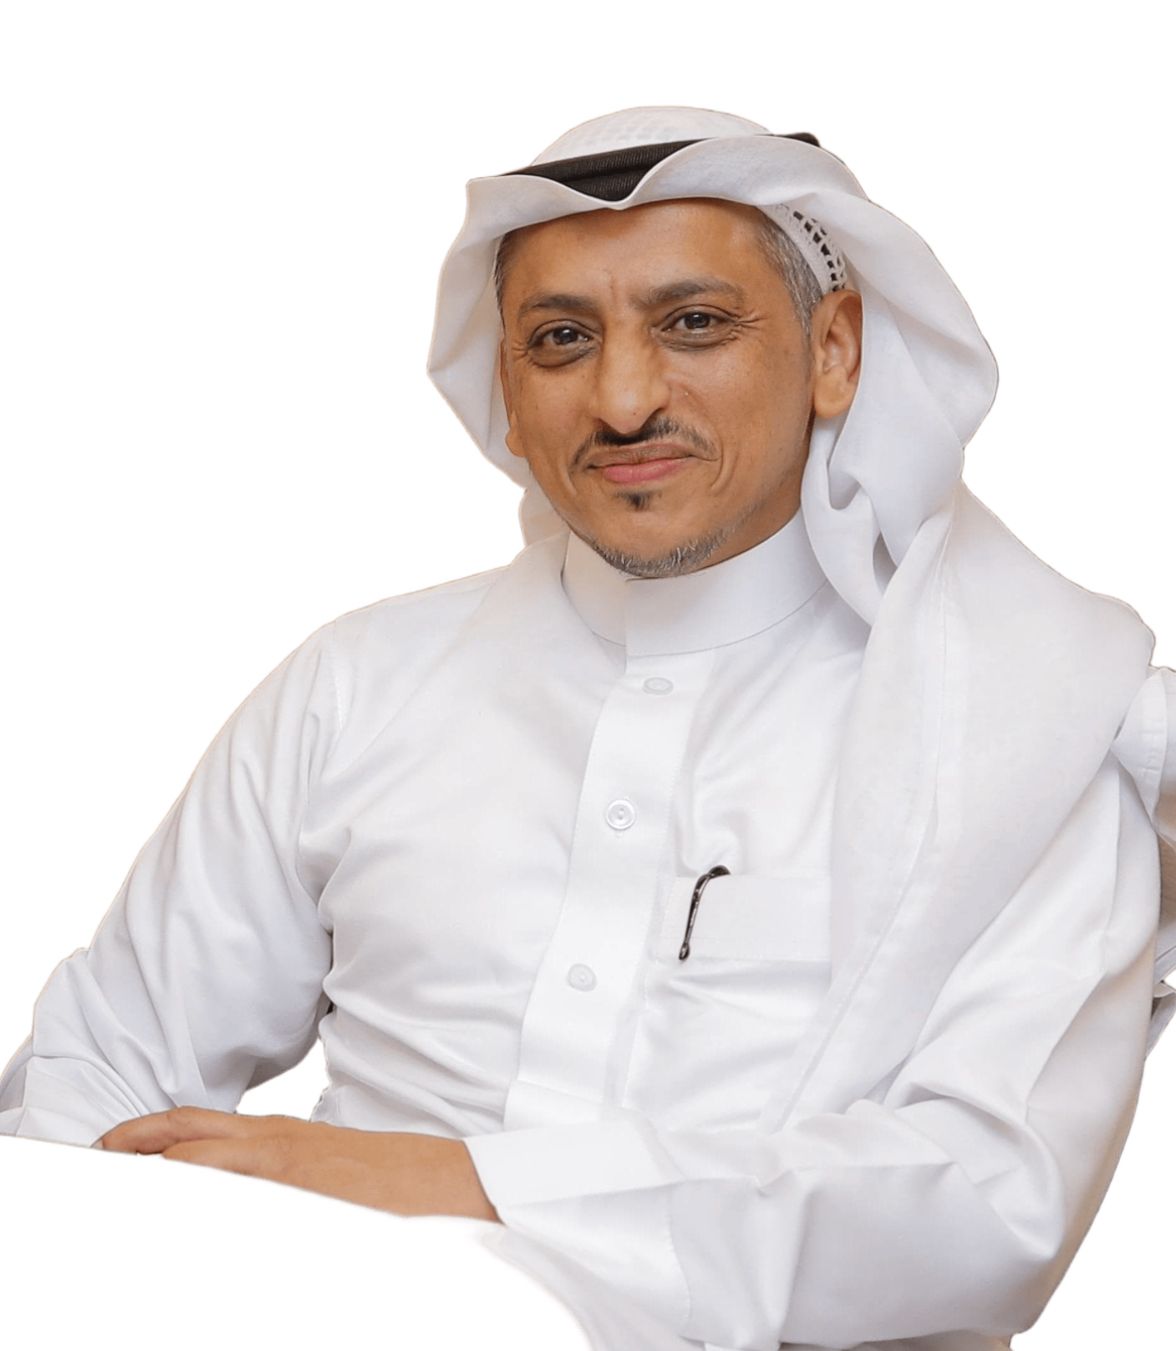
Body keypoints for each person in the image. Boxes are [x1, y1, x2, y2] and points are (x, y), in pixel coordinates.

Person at [1, 105, 1173, 1351]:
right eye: (562, 339)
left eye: (694, 324)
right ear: (508, 393)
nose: (622, 400)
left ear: (835, 350)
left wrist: (455, 1189)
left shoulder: (1028, 728)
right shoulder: (358, 685)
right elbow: (91, 1075)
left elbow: (983, 1211)